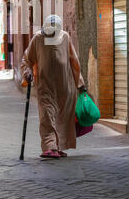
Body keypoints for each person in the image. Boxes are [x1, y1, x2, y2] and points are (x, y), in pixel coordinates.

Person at [21, 14, 86, 159]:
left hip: (65, 86)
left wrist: (80, 83)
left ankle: (58, 147)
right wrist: (27, 73)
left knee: (63, 118)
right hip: (45, 85)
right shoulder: (37, 38)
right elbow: (27, 60)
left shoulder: (65, 37)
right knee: (47, 116)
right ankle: (49, 147)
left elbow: (74, 62)